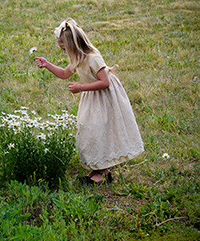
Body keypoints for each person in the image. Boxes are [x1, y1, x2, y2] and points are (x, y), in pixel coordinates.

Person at [35, 18, 144, 184]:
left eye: (64, 49)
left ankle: (102, 172)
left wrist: (80, 88)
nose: (64, 53)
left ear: (73, 46)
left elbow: (105, 82)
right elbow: (65, 74)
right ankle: (99, 168)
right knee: (89, 130)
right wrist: (47, 64)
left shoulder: (93, 58)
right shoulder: (78, 58)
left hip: (104, 97)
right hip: (92, 96)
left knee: (99, 131)